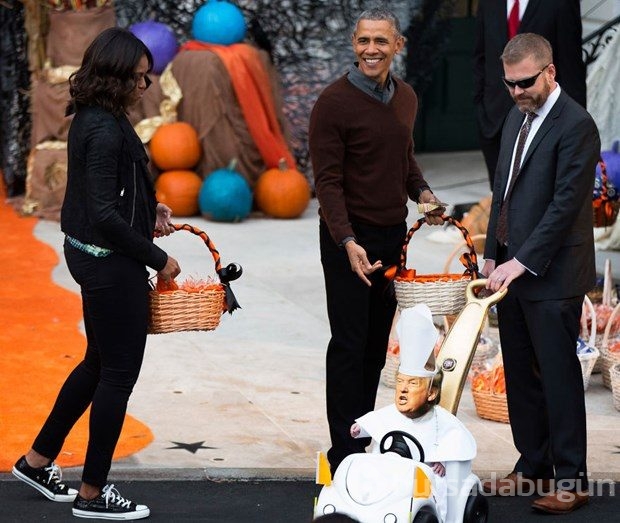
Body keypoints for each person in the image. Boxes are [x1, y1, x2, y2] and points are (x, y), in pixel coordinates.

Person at [12, 27, 181, 520]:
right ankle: (92, 494)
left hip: (93, 253)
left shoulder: (95, 116)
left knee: (96, 363)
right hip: (109, 263)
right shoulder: (105, 129)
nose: (143, 87)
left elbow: (101, 195)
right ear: (116, 78)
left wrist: (149, 206)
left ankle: (37, 460)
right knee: (118, 374)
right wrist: (158, 258)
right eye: (139, 78)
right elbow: (105, 214)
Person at [308, 6, 445, 475]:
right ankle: (342, 452)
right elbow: (326, 183)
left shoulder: (405, 97)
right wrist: (346, 241)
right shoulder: (333, 103)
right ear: (354, 43)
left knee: (373, 346)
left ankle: (361, 432)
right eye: (364, 41)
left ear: (397, 46)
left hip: (390, 237)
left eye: (381, 42)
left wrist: (423, 194)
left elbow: (404, 161)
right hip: (347, 238)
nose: (372, 50)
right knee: (348, 343)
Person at [481, 33, 599, 515]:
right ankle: (533, 467)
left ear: (550, 71)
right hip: (509, 271)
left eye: (525, 82)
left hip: (553, 275)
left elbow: (563, 207)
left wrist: (520, 261)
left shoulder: (578, 125)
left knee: (558, 378)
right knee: (522, 379)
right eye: (510, 84)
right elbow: (502, 192)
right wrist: (491, 254)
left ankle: (572, 479)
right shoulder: (515, 116)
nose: (516, 92)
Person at [350, 305, 476, 522]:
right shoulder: (392, 413)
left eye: (412, 383)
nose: (403, 389)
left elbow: (455, 444)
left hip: (422, 478)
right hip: (388, 472)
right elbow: (377, 421)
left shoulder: (442, 420)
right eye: (400, 383)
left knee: (433, 485)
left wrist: (441, 462)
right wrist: (360, 428)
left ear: (431, 392)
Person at [474, 0, 586, 189]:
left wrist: (574, 127)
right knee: (501, 199)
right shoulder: (488, 3)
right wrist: (480, 108)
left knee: (540, 198)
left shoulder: (561, 4)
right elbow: (480, 58)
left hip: (545, 123)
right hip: (494, 121)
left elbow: (571, 68)